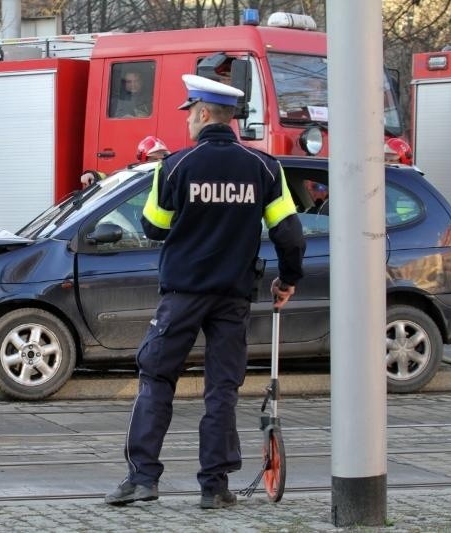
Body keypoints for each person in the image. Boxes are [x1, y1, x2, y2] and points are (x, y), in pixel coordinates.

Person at [104, 74, 305, 509]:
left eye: (189, 115)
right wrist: (288, 280)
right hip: (233, 296)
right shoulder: (266, 167)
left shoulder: (174, 166)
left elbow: (153, 226)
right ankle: (214, 487)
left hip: (182, 294)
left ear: (202, 114)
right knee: (221, 389)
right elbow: (289, 233)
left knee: (157, 377)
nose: (187, 123)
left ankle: (143, 479)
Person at [80, 136, 170, 188]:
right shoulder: (134, 173)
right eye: (154, 159)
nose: (159, 161)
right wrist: (93, 176)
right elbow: (113, 179)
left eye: (162, 157)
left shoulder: (170, 176)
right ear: (143, 159)